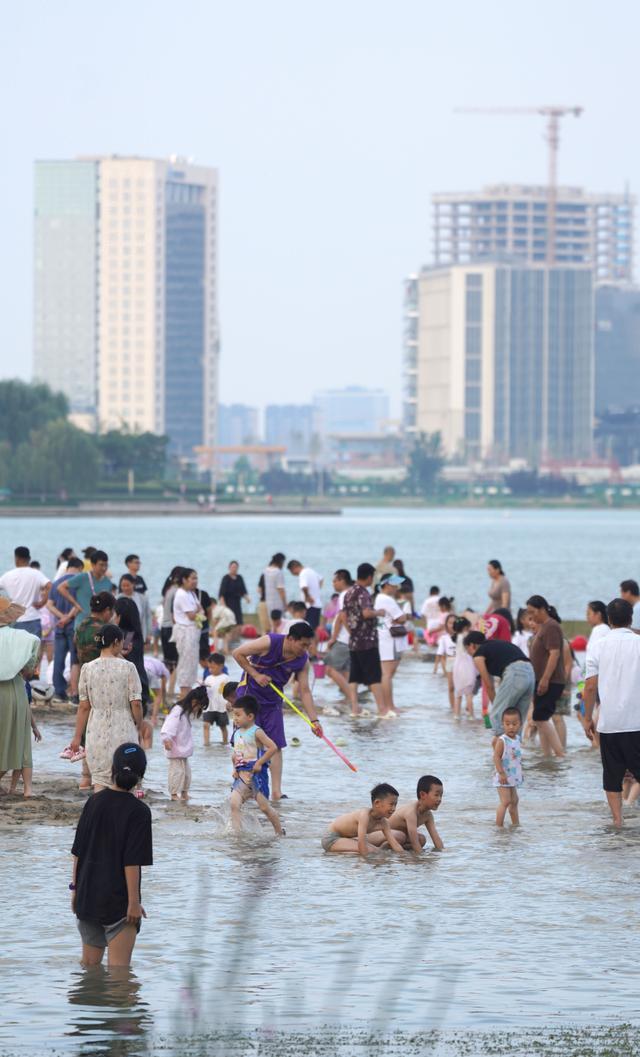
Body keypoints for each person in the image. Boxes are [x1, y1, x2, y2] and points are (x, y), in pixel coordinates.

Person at [70, 742, 152, 968]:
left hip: (88, 896)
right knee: (120, 977)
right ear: (141, 775)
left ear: (111, 770)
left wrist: (75, 890)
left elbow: (78, 851)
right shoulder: (140, 812)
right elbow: (131, 861)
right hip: (118, 903)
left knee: (89, 968)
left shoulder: (93, 802)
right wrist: (134, 902)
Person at [232, 622, 323, 800]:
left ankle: (276, 792)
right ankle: (242, 783)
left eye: (308, 645)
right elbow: (238, 653)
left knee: (275, 745)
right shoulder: (269, 642)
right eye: (302, 644)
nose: (305, 649)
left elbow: (305, 691)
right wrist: (256, 675)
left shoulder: (302, 660)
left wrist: (314, 721)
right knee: (245, 741)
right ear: (290, 639)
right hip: (249, 696)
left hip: (273, 700)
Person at [583, 598, 640, 828]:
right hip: (637, 721)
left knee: (612, 776)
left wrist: (587, 718)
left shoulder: (598, 646)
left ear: (608, 619)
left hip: (609, 723)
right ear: (631, 618)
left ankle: (617, 821)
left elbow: (589, 686)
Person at [70, 625, 143, 793]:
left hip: (96, 728)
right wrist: (139, 723)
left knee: (100, 780)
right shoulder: (128, 667)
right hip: (123, 726)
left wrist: (76, 737)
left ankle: (100, 813)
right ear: (116, 642)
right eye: (121, 642)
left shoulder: (87, 668)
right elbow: (136, 703)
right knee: (125, 776)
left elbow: (83, 707)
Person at [0, 598, 40, 797]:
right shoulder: (23, 636)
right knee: (21, 739)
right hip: (15, 687)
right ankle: (27, 789)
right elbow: (30, 665)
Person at [229, 696, 284, 835]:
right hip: (241, 775)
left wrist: (260, 763)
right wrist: (234, 768)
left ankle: (279, 832)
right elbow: (236, 754)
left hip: (256, 775)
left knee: (265, 808)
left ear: (250, 716)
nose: (234, 718)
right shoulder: (236, 733)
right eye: (233, 714)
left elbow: (272, 747)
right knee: (234, 804)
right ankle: (237, 834)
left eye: (238, 715)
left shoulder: (257, 731)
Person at [464, 631, 534, 734]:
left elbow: (489, 686)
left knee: (498, 717)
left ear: (472, 645)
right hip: (530, 673)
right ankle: (514, 749)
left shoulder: (478, 655)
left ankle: (499, 749)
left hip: (515, 673)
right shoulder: (495, 645)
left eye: (467, 650)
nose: (469, 654)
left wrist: (496, 706)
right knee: (516, 722)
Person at [342, 563, 387, 717]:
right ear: (369, 576)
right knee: (374, 676)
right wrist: (379, 612)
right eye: (372, 576)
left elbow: (344, 616)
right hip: (367, 640)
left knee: (354, 675)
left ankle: (355, 708)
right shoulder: (363, 593)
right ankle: (382, 709)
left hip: (354, 640)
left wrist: (351, 631)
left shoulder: (349, 592)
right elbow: (366, 613)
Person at [526, 595, 566, 758]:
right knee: (540, 718)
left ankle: (559, 754)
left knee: (540, 718)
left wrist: (545, 679)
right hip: (541, 680)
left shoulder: (551, 626)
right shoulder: (544, 626)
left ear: (542, 609)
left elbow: (555, 653)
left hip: (551, 681)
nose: (531, 616)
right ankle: (547, 756)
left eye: (532, 612)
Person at [320, 782, 405, 855]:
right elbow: (362, 846)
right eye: (391, 804)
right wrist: (364, 868)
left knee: (379, 852)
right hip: (331, 839)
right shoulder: (364, 816)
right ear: (377, 803)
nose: (394, 808)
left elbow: (394, 844)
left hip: (347, 838)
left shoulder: (384, 822)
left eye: (395, 805)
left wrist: (404, 857)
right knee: (373, 852)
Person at [160, 686, 208, 801]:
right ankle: (174, 794)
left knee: (186, 773)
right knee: (177, 772)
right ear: (194, 702)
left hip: (183, 749)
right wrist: (167, 739)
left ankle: (184, 793)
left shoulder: (185, 712)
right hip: (175, 748)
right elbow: (168, 726)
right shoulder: (177, 711)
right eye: (200, 706)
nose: (198, 709)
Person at [47, 556, 84, 703]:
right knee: (75, 661)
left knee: (58, 660)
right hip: (74, 626)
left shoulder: (56, 583)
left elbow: (49, 605)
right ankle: (74, 693)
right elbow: (79, 605)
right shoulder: (78, 583)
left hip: (59, 627)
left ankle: (59, 692)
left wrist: (61, 617)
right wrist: (67, 618)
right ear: (80, 568)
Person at [374, 574, 410, 716]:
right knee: (387, 675)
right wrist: (404, 616)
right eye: (394, 585)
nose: (396, 588)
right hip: (390, 640)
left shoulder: (380, 598)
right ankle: (389, 706)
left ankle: (387, 705)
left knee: (387, 674)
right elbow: (401, 617)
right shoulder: (386, 599)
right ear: (386, 584)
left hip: (385, 639)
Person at [57, 551, 113, 634]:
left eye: (106, 565)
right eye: (101, 565)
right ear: (93, 564)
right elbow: (61, 587)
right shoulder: (82, 577)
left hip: (100, 626)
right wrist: (76, 605)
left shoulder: (108, 582)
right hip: (82, 624)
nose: (104, 568)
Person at [0, 546, 51, 637]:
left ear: (16, 558)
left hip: (15, 619)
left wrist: (4, 606)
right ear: (29, 559)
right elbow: (49, 585)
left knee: (16, 650)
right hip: (33, 618)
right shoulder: (36, 574)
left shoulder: (7, 575)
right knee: (34, 650)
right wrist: (42, 602)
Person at [387, 776, 444, 852]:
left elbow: (436, 838)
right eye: (436, 795)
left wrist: (444, 856)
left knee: (421, 839)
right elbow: (414, 843)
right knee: (401, 836)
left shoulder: (428, 815)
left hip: (398, 839)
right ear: (423, 795)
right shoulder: (411, 812)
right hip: (381, 835)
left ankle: (395, 852)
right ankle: (383, 848)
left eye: (441, 795)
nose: (439, 799)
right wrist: (421, 859)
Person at [113, 596, 150, 713]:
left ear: (120, 616)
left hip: (130, 691)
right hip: (141, 685)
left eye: (115, 614)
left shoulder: (124, 638)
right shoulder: (135, 634)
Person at [323, 569, 355, 703]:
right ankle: (350, 699)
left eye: (335, 581)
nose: (333, 584)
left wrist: (333, 638)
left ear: (342, 580)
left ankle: (351, 699)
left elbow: (342, 616)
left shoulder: (344, 595)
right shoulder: (353, 593)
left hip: (343, 639)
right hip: (349, 640)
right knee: (345, 672)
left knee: (329, 669)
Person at [173, 568, 204, 696]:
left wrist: (197, 610)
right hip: (185, 632)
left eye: (196, 578)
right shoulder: (181, 594)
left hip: (193, 632)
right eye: (192, 578)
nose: (195, 581)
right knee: (185, 664)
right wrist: (197, 611)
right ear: (184, 580)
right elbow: (191, 615)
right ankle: (183, 695)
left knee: (192, 664)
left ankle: (188, 694)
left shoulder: (191, 593)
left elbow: (200, 610)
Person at [493, 707, 523, 827]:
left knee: (514, 801)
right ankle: (498, 827)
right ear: (503, 724)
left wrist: (520, 772)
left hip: (512, 776)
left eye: (514, 724)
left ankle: (516, 824)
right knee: (505, 801)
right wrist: (501, 773)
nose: (511, 727)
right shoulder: (502, 740)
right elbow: (496, 757)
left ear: (520, 724)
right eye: (507, 724)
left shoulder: (517, 739)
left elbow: (515, 758)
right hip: (503, 777)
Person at [160, 566, 183, 695]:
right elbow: (175, 615)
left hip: (164, 627)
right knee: (176, 663)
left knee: (168, 663)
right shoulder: (177, 592)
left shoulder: (168, 590)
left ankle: (164, 691)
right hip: (172, 629)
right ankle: (170, 692)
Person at [202, 651, 230, 746]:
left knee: (223, 726)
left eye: (213, 667)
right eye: (209, 667)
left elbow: (228, 692)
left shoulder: (225, 678)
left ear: (221, 666)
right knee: (206, 725)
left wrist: (229, 703)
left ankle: (225, 742)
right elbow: (205, 691)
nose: (210, 669)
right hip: (209, 707)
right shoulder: (208, 678)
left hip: (221, 707)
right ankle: (206, 744)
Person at [286, 560, 323, 631]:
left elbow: (304, 586)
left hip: (310, 605)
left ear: (294, 567)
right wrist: (316, 590)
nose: (293, 574)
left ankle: (311, 642)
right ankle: (315, 642)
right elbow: (321, 579)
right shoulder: (310, 571)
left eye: (291, 572)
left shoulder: (303, 573)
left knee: (308, 629)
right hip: (317, 604)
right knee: (314, 629)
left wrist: (307, 596)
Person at [452, 616, 476, 718]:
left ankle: (456, 715)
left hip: (457, 666)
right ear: (466, 626)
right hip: (467, 665)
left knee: (458, 694)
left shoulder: (457, 637)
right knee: (469, 694)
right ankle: (471, 716)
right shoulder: (467, 636)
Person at [218, 561, 249, 630]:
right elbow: (221, 594)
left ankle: (236, 639)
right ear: (229, 568)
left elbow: (243, 591)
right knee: (230, 623)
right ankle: (228, 639)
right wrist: (224, 607)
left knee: (239, 623)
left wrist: (247, 598)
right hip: (228, 603)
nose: (234, 569)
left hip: (237, 603)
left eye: (236, 567)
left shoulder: (239, 578)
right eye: (233, 567)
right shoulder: (226, 578)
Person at [261, 554, 287, 634]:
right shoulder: (278, 572)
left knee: (272, 623)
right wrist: (285, 603)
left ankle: (273, 640)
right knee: (280, 623)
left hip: (269, 601)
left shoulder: (266, 570)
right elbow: (281, 589)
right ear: (280, 562)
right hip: (278, 601)